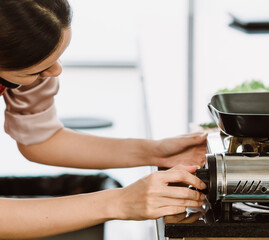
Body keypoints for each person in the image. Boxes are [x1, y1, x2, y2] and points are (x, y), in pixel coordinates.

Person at [0, 1, 207, 239]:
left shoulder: (32, 60)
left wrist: (157, 152)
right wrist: (118, 202)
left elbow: (39, 139)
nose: (56, 71)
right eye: (35, 71)